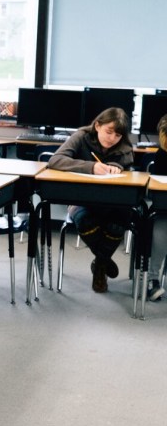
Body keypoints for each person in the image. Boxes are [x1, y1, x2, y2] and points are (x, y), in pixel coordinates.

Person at [47, 107, 134, 293]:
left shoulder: (125, 146)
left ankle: (100, 264)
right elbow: (55, 160)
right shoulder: (81, 136)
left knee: (118, 223)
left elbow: (126, 164)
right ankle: (104, 263)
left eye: (117, 135)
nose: (112, 138)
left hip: (112, 202)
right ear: (97, 125)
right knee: (84, 220)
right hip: (81, 199)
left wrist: (116, 166)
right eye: (108, 132)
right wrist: (90, 167)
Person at [146, 114, 167, 300]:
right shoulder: (162, 155)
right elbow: (158, 188)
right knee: (162, 224)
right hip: (164, 209)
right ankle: (153, 280)